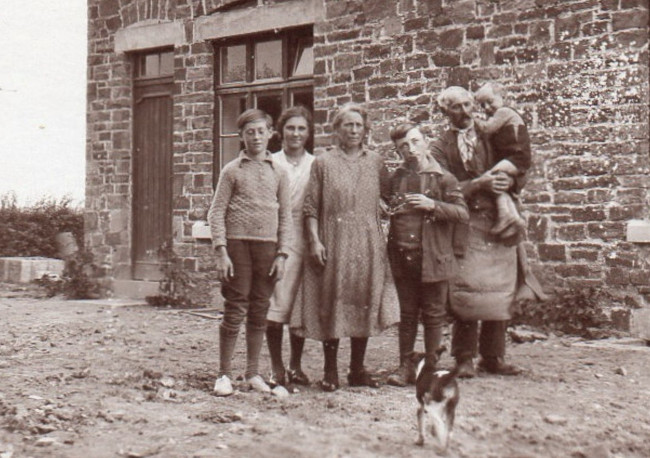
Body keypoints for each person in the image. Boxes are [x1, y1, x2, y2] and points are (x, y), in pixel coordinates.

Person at [430, 86, 544, 378]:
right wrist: (478, 184)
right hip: (466, 222)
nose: (465, 112)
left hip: (497, 219)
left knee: (499, 288)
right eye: (456, 107)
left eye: (468, 105)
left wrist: (508, 184)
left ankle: (493, 356)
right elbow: (444, 187)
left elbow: (518, 161)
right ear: (446, 112)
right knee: (468, 289)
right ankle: (464, 357)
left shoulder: (489, 134)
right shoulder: (440, 146)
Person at [290, 102, 398, 392]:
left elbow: (388, 197)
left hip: (366, 243)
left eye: (358, 125)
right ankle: (330, 371)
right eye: (347, 125)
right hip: (333, 241)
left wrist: (380, 210)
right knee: (333, 301)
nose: (353, 130)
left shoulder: (375, 162)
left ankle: (357, 369)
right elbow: (311, 207)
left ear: (365, 130)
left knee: (362, 299)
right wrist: (314, 240)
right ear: (337, 129)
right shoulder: (323, 162)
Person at [208, 108, 292, 396]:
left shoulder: (279, 172)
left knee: (260, 308)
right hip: (237, 246)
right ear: (241, 136)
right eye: (249, 132)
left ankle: (253, 373)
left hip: (267, 248)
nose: (256, 137)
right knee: (235, 307)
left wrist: (282, 254)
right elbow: (216, 212)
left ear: (270, 134)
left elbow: (286, 217)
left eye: (261, 131)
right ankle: (224, 374)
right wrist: (221, 250)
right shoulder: (232, 170)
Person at [383, 123, 469, 387]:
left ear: (425, 140)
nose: (411, 150)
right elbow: (386, 204)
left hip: (433, 258)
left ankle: (430, 368)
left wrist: (433, 205)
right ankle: (405, 367)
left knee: (433, 315)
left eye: (415, 141)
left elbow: (462, 214)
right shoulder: (396, 178)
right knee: (407, 315)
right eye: (403, 147)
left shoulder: (444, 178)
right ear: (398, 152)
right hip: (404, 257)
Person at [265, 106, 315, 387]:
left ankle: (296, 365)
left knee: (300, 304)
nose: (296, 134)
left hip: (305, 237)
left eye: (302, 129)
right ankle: (276, 365)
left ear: (308, 134)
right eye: (291, 128)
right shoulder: (270, 162)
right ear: (281, 132)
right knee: (275, 303)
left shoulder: (315, 164)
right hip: (275, 237)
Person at [473, 82, 531, 239]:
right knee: (498, 182)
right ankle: (511, 217)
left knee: (491, 177)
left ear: (501, 97)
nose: (487, 107)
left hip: (517, 157)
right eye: (482, 105)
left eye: (490, 102)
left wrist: (473, 119)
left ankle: (507, 215)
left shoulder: (504, 112)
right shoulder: (499, 116)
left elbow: (486, 129)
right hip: (513, 158)